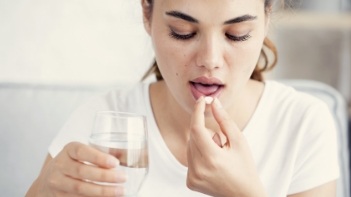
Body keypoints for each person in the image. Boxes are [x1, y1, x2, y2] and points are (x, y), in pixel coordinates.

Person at [26, 0, 340, 196]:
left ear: (266, 18)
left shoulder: (303, 123)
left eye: (237, 34)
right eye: (182, 31)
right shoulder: (104, 121)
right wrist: (43, 191)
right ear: (147, 15)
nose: (210, 59)